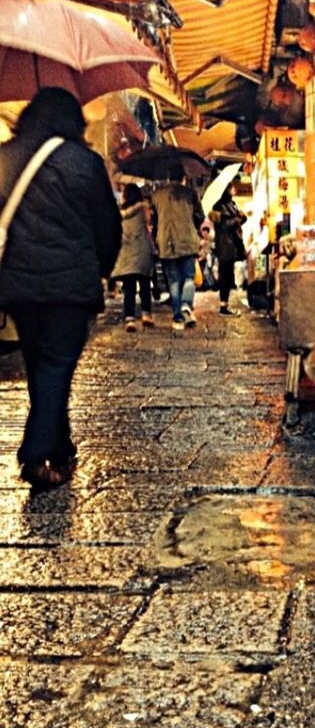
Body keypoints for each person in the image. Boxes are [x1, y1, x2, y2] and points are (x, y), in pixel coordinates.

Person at [0, 87, 122, 490]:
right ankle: (35, 454)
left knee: (41, 366)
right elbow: (108, 227)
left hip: (16, 285)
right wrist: (100, 269)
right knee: (55, 367)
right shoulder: (84, 162)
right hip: (69, 287)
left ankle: (60, 444)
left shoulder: (5, 157)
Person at [151, 168, 204, 332]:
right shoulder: (189, 193)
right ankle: (186, 305)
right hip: (187, 239)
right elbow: (200, 217)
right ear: (183, 177)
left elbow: (154, 220)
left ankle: (177, 318)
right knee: (188, 277)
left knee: (173, 280)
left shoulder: (157, 195)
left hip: (166, 241)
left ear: (168, 177)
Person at [111, 183, 155, 332]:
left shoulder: (119, 213)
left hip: (127, 250)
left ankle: (129, 318)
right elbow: (149, 223)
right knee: (144, 285)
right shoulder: (144, 208)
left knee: (129, 287)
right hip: (142, 249)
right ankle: (146, 314)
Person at [209, 180, 247, 316]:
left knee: (228, 275)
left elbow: (236, 221)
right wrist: (237, 219)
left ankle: (225, 304)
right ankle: (223, 306)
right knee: (225, 276)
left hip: (232, 244)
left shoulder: (232, 204)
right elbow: (225, 225)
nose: (234, 189)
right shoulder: (220, 206)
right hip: (225, 245)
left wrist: (242, 218)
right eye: (231, 187)